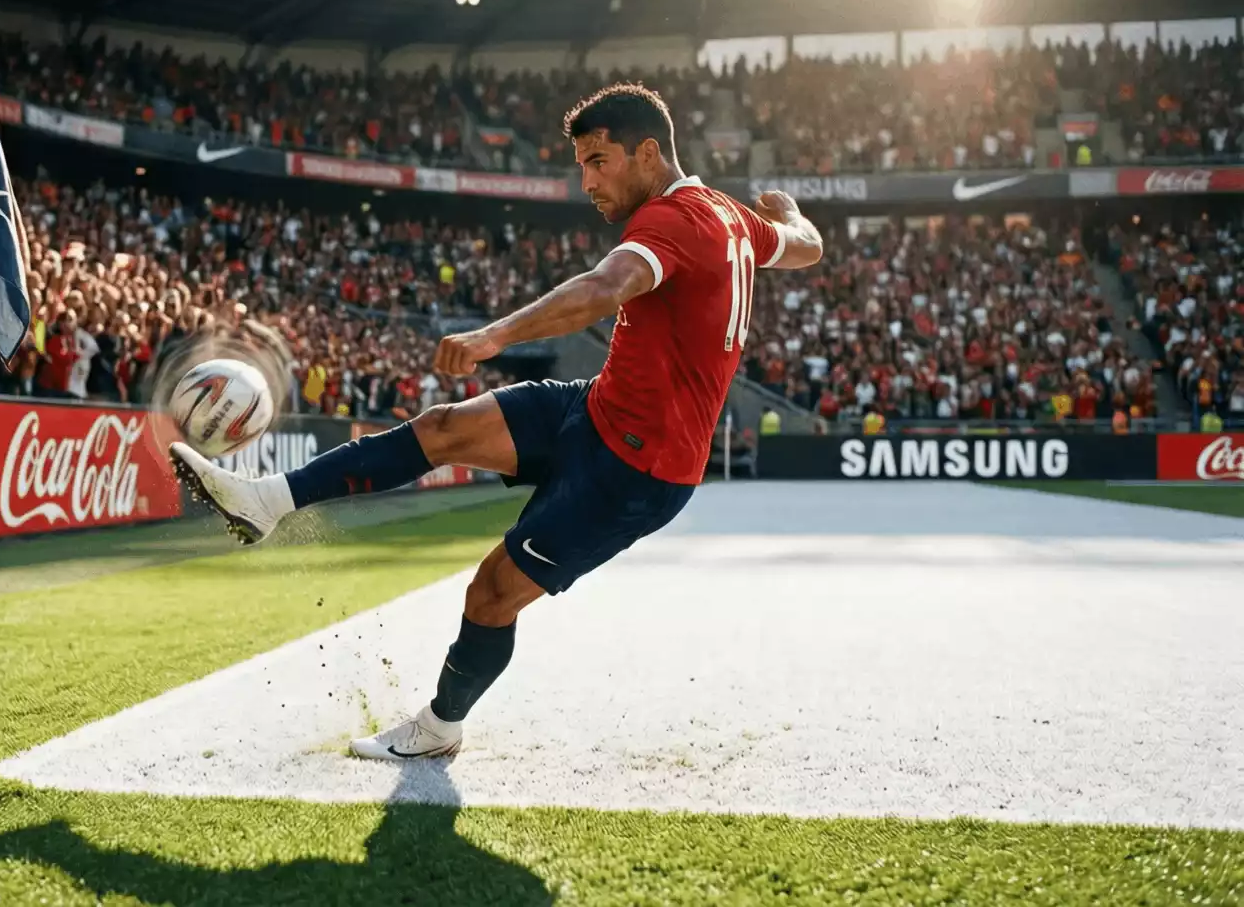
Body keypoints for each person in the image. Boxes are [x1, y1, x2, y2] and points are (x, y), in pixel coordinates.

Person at [168, 82, 823, 759]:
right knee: (445, 426)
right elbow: (803, 245)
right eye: (581, 165)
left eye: (599, 161)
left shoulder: (670, 223)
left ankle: (440, 725)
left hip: (637, 469)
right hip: (595, 407)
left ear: (648, 151)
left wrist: (494, 337)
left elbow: (602, 289)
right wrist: (793, 212)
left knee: (489, 596)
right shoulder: (729, 218)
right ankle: (265, 501)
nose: (587, 181)